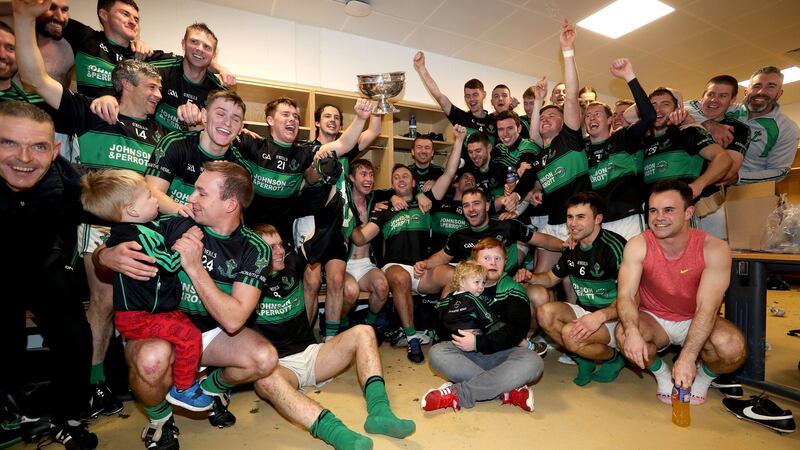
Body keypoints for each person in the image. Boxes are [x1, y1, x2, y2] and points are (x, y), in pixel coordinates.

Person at [14, 0, 172, 417]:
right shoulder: (92, 111)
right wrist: (25, 18)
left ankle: (129, 377)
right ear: (126, 84)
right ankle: (96, 383)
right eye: (151, 87)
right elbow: (33, 77)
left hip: (144, 225)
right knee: (102, 301)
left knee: (136, 303)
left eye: (160, 88)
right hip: (97, 224)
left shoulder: (159, 133)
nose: (159, 94)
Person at [97, 161, 278, 449]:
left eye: (201, 193)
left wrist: (194, 267)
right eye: (194, 190)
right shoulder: (173, 224)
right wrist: (104, 256)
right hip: (160, 330)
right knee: (151, 360)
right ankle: (160, 419)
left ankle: (208, 389)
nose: (190, 198)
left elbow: (233, 320)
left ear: (230, 203)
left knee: (264, 359)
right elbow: (121, 235)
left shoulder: (254, 248)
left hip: (211, 334)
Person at [251, 224, 415, 450]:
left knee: (364, 332)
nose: (280, 250)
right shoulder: (243, 285)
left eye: (280, 244)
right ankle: (339, 435)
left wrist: (333, 199)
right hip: (279, 368)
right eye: (272, 247)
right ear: (255, 251)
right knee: (264, 380)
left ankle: (380, 413)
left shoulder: (290, 264)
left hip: (312, 354)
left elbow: (323, 235)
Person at [0, 101, 97, 449]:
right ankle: (10, 408)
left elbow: (117, 203)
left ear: (54, 150)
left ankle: (67, 418)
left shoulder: (69, 181)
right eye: (8, 142)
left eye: (38, 146)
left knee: (75, 334)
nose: (24, 158)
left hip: (45, 262)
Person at [80, 169, 214, 413]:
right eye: (149, 197)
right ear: (132, 209)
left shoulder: (131, 230)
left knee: (190, 330)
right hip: (140, 317)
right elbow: (170, 264)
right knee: (190, 337)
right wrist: (188, 245)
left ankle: (188, 380)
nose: (156, 200)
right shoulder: (139, 237)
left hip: (153, 311)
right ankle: (184, 388)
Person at [614, 180, 746, 405]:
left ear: (688, 213)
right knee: (625, 334)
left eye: (669, 210)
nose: (659, 217)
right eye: (653, 210)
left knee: (733, 347)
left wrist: (688, 356)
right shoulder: (637, 244)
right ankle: (662, 374)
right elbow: (625, 295)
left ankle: (703, 379)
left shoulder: (715, 249)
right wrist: (632, 331)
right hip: (654, 317)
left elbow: (708, 307)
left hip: (694, 317)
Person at [350, 127, 465, 363]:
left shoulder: (427, 202)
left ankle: (442, 330)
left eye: (405, 177)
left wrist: (460, 139)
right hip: (394, 266)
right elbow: (361, 236)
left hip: (422, 269)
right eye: (396, 178)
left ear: (415, 181)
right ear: (391, 184)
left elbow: (450, 172)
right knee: (400, 278)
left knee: (454, 275)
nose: (401, 180)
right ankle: (413, 339)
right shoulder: (384, 207)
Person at [421, 238, 542, 412]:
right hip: (467, 356)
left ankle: (460, 393)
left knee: (533, 361)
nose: (493, 263)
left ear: (505, 262)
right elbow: (439, 329)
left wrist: (478, 342)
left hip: (502, 355)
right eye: (486, 258)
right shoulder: (458, 290)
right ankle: (506, 389)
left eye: (498, 259)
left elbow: (516, 331)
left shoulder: (514, 289)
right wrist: (456, 332)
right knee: (437, 353)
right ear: (474, 263)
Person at [523, 193, 627, 386]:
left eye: (580, 217)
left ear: (598, 219)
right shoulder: (573, 247)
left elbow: (630, 296)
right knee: (545, 313)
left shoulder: (614, 246)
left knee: (571, 335)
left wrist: (602, 316)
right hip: (585, 311)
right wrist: (531, 277)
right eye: (570, 217)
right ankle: (583, 358)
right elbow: (550, 278)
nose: (573, 223)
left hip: (613, 318)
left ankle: (614, 358)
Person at [301, 102, 382, 340]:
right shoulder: (308, 149)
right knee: (313, 281)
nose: (333, 120)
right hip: (312, 224)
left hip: (338, 225)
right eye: (327, 116)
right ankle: (305, 340)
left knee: (337, 280)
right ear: (317, 122)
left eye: (337, 117)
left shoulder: (346, 149)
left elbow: (374, 131)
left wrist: (377, 99)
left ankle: (330, 340)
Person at [689, 66, 799, 184]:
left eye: (771, 87)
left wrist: (738, 177)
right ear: (746, 91)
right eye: (756, 86)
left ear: (779, 93)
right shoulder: (726, 108)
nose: (761, 92)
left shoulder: (787, 128)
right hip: (704, 183)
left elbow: (780, 171)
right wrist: (709, 124)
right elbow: (686, 105)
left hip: (747, 192)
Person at [583, 58, 654, 240]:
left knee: (633, 268)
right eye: (588, 115)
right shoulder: (582, 150)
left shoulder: (623, 138)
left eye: (597, 114)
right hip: (598, 222)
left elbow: (648, 116)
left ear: (609, 120)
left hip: (627, 217)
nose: (592, 118)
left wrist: (629, 76)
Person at [146, 90, 246, 216]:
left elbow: (231, 218)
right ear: (204, 115)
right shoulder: (175, 143)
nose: (227, 123)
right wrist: (187, 213)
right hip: (167, 225)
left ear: (241, 128)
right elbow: (152, 191)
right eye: (220, 114)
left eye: (235, 119)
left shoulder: (239, 168)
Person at [413, 51, 496, 170]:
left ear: (484, 95)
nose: (471, 99)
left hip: (492, 178)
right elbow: (439, 96)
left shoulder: (495, 121)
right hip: (466, 179)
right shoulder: (461, 117)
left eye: (475, 94)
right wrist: (421, 68)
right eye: (467, 95)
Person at [343, 159, 391, 336]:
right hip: (344, 264)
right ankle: (342, 322)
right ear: (351, 178)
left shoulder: (375, 200)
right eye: (363, 174)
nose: (368, 179)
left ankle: (368, 325)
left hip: (365, 263)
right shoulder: (342, 202)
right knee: (350, 292)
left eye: (371, 175)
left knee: (382, 287)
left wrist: (393, 197)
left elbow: (395, 191)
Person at [434, 261, 495, 341]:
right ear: (462, 282)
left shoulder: (447, 300)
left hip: (451, 339)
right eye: (477, 282)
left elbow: (438, 318)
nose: (481, 287)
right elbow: (487, 317)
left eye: (483, 283)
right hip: (473, 338)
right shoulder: (473, 298)